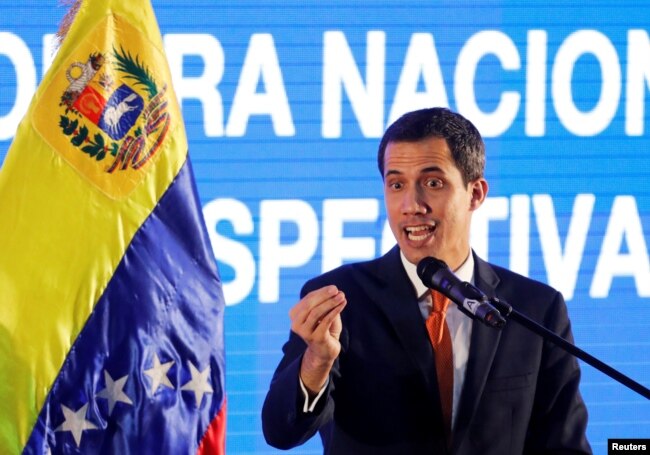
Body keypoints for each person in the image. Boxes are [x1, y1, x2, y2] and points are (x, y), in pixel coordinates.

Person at [261, 107, 591, 454]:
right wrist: (317, 362)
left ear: (475, 193)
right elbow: (281, 433)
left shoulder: (535, 309)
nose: (411, 205)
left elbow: (564, 445)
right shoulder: (342, 299)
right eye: (396, 184)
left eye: (432, 183)